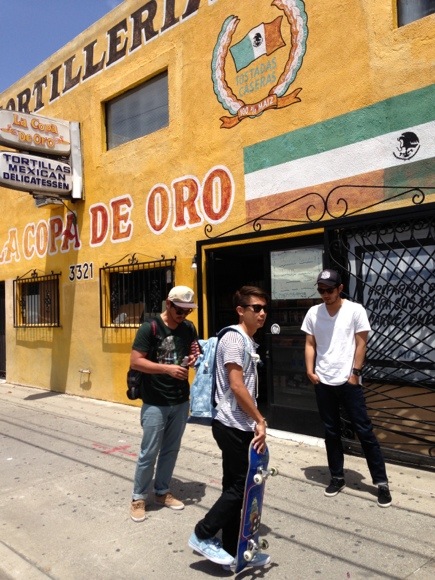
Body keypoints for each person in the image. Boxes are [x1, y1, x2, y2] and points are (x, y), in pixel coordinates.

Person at [188, 285, 271, 569]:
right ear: (240, 310)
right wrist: (259, 419)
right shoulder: (235, 340)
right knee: (240, 487)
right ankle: (203, 534)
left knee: (234, 488)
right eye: (256, 308)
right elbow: (236, 386)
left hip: (238, 424)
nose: (262, 313)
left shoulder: (247, 340)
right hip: (231, 424)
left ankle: (233, 551)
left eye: (264, 308)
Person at [301, 269, 392, 508]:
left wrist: (355, 373)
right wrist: (310, 371)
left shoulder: (355, 310)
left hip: (349, 381)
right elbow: (310, 343)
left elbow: (361, 343)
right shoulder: (313, 313)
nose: (325, 294)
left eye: (329, 290)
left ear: (340, 288)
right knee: (331, 432)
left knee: (364, 431)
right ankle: (337, 477)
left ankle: (381, 482)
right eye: (321, 290)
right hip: (323, 380)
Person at [130, 285, 200, 522]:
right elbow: (136, 361)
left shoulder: (188, 328)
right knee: (149, 452)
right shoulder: (149, 328)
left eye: (188, 311)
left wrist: (193, 358)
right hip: (155, 401)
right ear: (168, 304)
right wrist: (167, 369)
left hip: (180, 399)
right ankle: (139, 497)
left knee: (171, 449)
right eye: (180, 310)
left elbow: (193, 351)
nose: (184, 315)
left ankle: (162, 492)